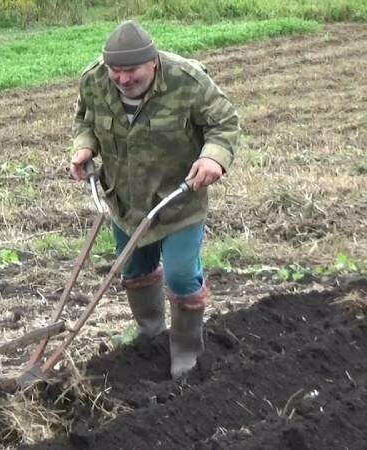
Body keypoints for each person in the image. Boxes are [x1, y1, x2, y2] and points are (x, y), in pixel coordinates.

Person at [69, 20, 240, 379]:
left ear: (153, 63)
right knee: (133, 270)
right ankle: (150, 336)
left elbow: (224, 123)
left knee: (180, 276)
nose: (123, 79)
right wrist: (84, 146)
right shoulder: (95, 81)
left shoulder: (187, 81)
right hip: (125, 203)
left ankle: (187, 355)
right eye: (116, 71)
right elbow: (84, 118)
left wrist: (213, 157)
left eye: (131, 71)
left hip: (178, 203)